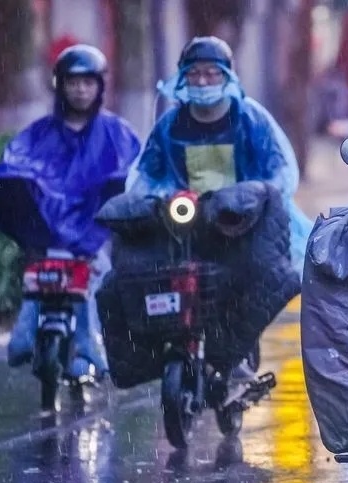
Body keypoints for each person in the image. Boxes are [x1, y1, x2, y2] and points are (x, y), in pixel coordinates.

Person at [125, 35, 314, 386]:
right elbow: (146, 175)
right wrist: (148, 202)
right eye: (194, 74)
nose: (202, 82)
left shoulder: (251, 119)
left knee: (259, 281)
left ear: (227, 76)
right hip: (185, 222)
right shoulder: (170, 125)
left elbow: (280, 171)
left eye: (211, 74)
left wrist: (256, 200)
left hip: (243, 223)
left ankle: (237, 350)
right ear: (182, 78)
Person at [0, 44, 142, 379]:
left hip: (95, 237)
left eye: (87, 82)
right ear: (60, 85)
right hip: (49, 237)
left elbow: (135, 175)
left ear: (99, 86)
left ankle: (91, 347)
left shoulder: (117, 134)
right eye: (73, 82)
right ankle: (25, 336)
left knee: (100, 280)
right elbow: (15, 164)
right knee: (34, 283)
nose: (80, 89)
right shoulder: (38, 134)